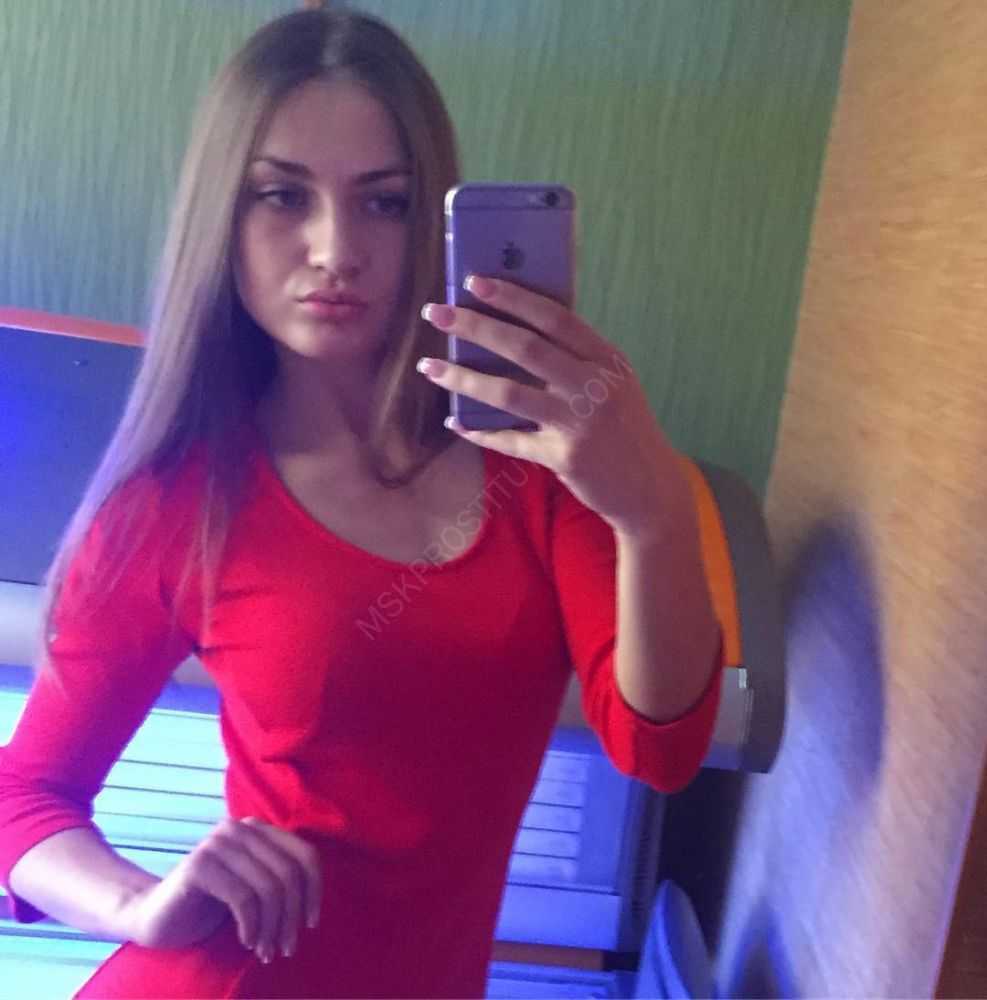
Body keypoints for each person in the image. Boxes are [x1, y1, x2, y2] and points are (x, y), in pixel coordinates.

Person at [0, 7, 724, 998]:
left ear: (432, 224)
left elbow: (661, 747)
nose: (336, 248)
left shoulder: (542, 467)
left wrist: (654, 512)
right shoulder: (179, 502)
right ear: (223, 215)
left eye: (384, 203)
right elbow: (22, 799)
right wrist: (138, 904)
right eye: (281, 195)